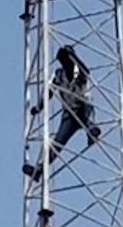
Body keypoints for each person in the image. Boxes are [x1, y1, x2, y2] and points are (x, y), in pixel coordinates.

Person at [23, 45, 101, 181]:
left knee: (87, 111)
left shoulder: (79, 71)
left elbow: (86, 72)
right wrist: (39, 106)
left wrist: (73, 56)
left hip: (83, 108)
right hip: (69, 115)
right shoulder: (59, 74)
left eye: (67, 60)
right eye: (63, 61)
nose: (65, 64)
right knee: (57, 143)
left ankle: (91, 131)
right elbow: (49, 91)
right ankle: (39, 170)